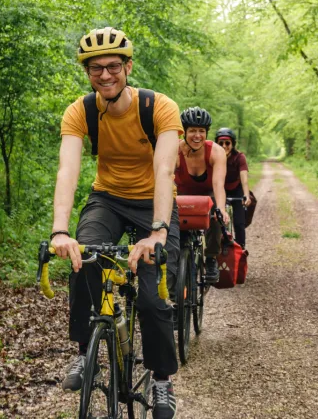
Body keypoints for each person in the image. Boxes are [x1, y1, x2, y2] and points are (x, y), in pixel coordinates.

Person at [50, 27, 180, 419]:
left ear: (127, 67)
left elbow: (165, 169)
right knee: (84, 258)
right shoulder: (81, 110)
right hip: (106, 199)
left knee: (154, 296)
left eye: (113, 67)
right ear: (87, 73)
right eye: (96, 69)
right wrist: (60, 230)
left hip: (152, 204)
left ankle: (161, 380)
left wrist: (158, 231)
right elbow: (68, 170)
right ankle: (83, 351)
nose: (105, 76)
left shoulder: (159, 107)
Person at [173, 107, 229, 283]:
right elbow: (166, 180)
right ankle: (178, 265)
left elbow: (219, 184)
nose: (197, 135)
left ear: (207, 133)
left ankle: (211, 258)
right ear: (184, 132)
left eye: (201, 131)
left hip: (208, 193)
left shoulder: (216, 151)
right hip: (182, 194)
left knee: (215, 215)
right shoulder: (174, 150)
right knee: (175, 227)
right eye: (192, 131)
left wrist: (221, 208)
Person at [215, 127, 252, 249]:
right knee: (216, 220)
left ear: (233, 144)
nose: (224, 146)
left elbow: (244, 178)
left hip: (236, 189)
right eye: (221, 143)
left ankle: (241, 250)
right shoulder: (214, 156)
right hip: (221, 189)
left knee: (239, 223)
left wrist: (246, 195)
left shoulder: (239, 157)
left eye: (227, 143)